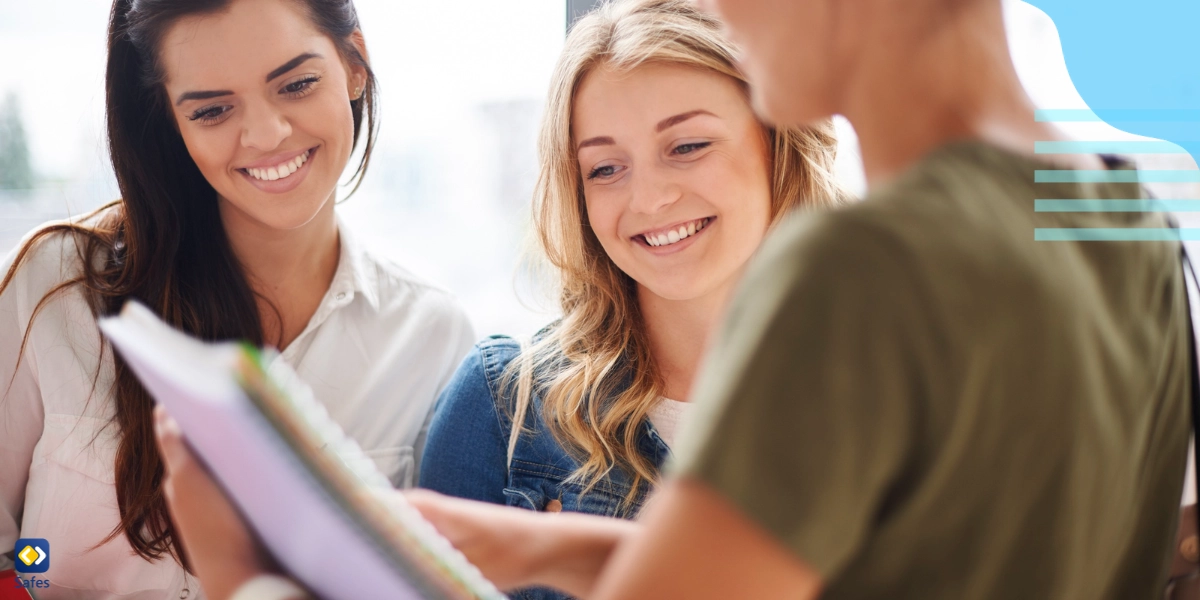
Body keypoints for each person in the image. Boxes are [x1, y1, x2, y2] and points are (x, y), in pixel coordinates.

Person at [154, 0, 1193, 597]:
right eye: (602, 166)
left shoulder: (866, 266)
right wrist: (544, 539)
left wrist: (238, 564)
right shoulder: (1115, 214)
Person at [0, 0, 473, 597]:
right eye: (213, 110)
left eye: (297, 84)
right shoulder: (53, 288)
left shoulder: (432, 337)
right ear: (169, 119)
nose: (267, 135)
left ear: (355, 62)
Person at [418, 2, 842, 598]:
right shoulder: (502, 408)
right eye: (606, 168)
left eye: (688, 146)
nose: (647, 199)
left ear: (777, 142)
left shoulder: (898, 393)